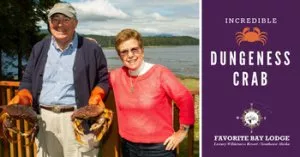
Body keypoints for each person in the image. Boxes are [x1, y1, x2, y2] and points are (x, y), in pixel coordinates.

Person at [8, 2, 109, 157]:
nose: (60, 24)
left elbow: (103, 79)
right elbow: (27, 80)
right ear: (49, 24)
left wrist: (97, 95)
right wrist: (23, 96)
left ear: (76, 23)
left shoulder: (91, 48)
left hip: (78, 119)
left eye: (66, 19)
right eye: (55, 19)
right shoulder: (39, 48)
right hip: (44, 120)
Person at [110, 28, 195, 157]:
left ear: (142, 51)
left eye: (134, 49)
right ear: (119, 56)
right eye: (124, 52)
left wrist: (182, 131)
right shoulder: (116, 76)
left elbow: (185, 98)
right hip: (128, 146)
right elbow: (96, 78)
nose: (130, 55)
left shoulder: (160, 73)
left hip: (159, 148)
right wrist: (92, 46)